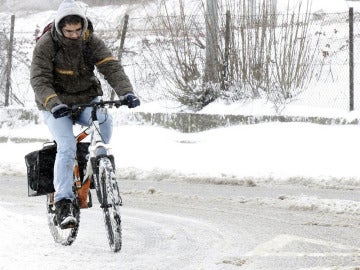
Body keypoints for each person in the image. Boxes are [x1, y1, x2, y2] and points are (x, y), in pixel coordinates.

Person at [30, 0, 140, 229]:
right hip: (55, 105)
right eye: (69, 31)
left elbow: (111, 67)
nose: (74, 35)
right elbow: (39, 80)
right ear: (60, 27)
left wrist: (127, 92)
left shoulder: (90, 40)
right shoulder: (46, 44)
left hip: (85, 99)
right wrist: (53, 102)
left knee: (104, 121)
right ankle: (63, 203)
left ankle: (99, 166)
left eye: (78, 30)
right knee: (67, 144)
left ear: (84, 26)